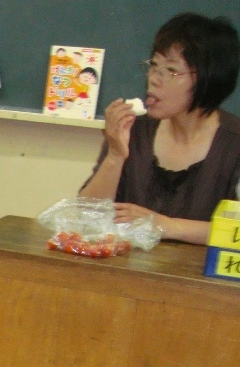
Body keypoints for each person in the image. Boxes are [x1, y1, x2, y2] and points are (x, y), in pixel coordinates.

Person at [80, 13, 240, 244]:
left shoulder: (234, 144)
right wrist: (115, 155)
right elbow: (85, 217)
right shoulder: (134, 129)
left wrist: (168, 226)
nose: (154, 78)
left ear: (208, 79)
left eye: (171, 70)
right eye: (154, 66)